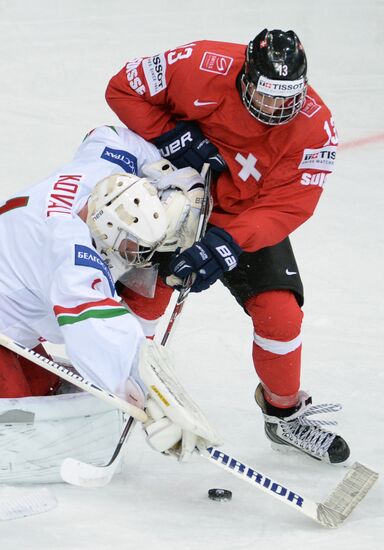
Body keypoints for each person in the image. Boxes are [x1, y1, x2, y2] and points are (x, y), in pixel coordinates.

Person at [105, 28, 349, 464]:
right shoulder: (199, 63)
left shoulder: (317, 127)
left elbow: (288, 206)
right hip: (175, 196)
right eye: (268, 95)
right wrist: (173, 136)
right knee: (144, 302)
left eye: (287, 98)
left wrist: (227, 242)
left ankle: (284, 414)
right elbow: (123, 89)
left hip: (247, 218)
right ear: (245, 76)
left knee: (281, 315)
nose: (277, 109)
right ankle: (110, 387)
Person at [0, 124, 219, 465]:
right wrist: (149, 398)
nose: (138, 257)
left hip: (11, 319)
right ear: (108, 227)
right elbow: (95, 327)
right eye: (133, 246)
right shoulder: (69, 252)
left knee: (45, 395)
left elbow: (107, 135)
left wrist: (169, 175)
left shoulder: (105, 174)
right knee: (15, 429)